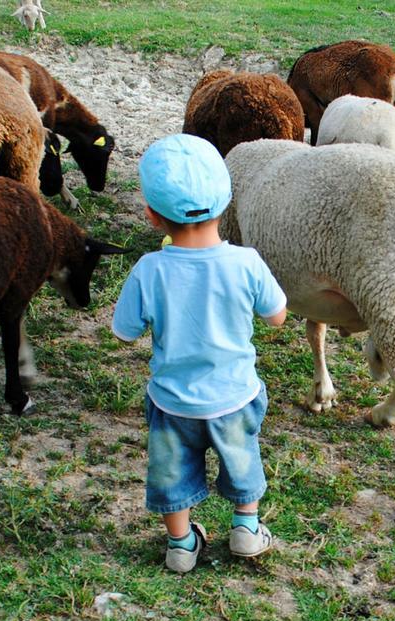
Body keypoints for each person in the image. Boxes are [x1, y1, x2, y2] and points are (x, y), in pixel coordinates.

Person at [112, 134, 286, 573]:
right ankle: (246, 528)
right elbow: (277, 315)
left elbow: (124, 331)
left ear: (152, 215)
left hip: (172, 402)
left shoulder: (149, 269)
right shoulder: (246, 262)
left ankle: (181, 544)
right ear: (226, 201)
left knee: (172, 473)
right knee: (243, 457)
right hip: (235, 396)